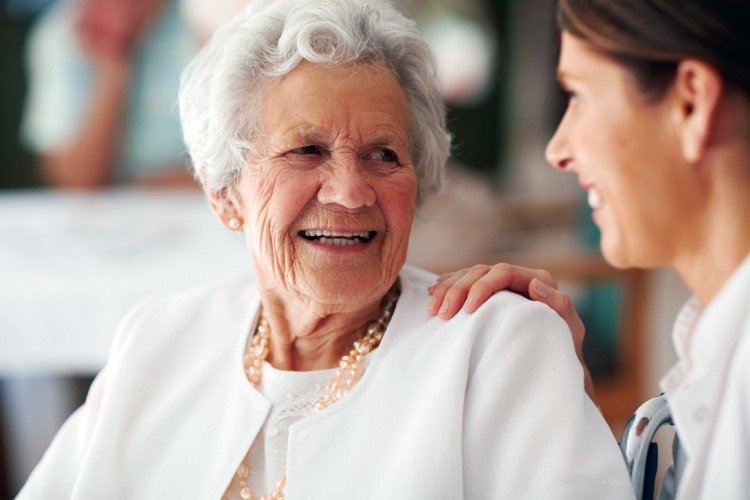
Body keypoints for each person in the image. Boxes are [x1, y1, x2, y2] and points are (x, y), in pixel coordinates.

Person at [16, 0, 634, 498]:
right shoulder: (156, 340)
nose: (349, 192)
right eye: (306, 150)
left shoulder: (495, 344)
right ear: (225, 194)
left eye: (384, 155)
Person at [428, 1, 750, 498]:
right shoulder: (715, 347)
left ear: (690, 105)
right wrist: (575, 414)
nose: (557, 150)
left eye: (577, 95)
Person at [21, 0, 199, 188]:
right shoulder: (62, 32)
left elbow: (228, 179)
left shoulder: (207, 17)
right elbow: (75, 180)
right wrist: (112, 68)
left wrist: (129, 184)